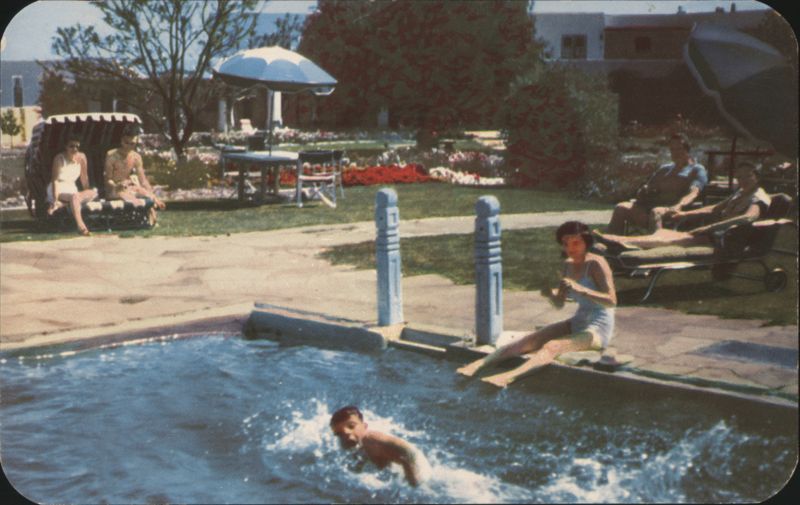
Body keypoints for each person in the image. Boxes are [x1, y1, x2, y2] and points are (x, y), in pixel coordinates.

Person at [457, 221, 617, 388]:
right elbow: (559, 304)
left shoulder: (597, 263)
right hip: (579, 320)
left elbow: (612, 300)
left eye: (576, 242)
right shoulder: (568, 265)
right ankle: (479, 364)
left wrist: (581, 289)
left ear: (586, 242)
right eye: (565, 243)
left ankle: (508, 378)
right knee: (528, 340)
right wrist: (550, 294)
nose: (570, 248)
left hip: (598, 329)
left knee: (552, 346)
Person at [594, 162, 770, 250]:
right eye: (740, 177)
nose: (742, 181)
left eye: (747, 177)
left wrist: (711, 226)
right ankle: (615, 241)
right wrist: (686, 215)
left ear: (757, 177)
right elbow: (714, 208)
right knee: (662, 234)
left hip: (727, 240)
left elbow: (749, 217)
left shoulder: (758, 196)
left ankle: (616, 241)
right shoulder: (740, 193)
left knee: (668, 240)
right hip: (714, 234)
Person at [607, 133, 708, 234]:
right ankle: (612, 244)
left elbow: (693, 193)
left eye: (679, 149)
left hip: (674, 211)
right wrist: (643, 191)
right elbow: (648, 187)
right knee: (621, 208)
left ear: (687, 150)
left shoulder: (696, 169)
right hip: (650, 209)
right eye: (672, 150)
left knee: (656, 212)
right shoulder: (665, 169)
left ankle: (653, 246)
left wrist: (679, 205)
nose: (675, 153)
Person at [329, 405, 427, 486]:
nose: (346, 433)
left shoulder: (371, 440)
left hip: (418, 467)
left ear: (365, 426)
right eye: (339, 433)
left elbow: (408, 453)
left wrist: (413, 485)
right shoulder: (346, 443)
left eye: (351, 426)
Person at [104, 126, 166, 222]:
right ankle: (149, 217)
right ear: (121, 141)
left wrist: (153, 196)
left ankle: (152, 215)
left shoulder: (136, 157)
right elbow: (108, 179)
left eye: (132, 144)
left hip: (129, 186)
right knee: (131, 196)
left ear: (136, 143)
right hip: (114, 189)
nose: (128, 146)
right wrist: (116, 185)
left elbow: (143, 180)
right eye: (126, 142)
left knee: (144, 192)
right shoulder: (111, 155)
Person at [46, 134, 97, 236]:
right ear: (66, 146)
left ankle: (64, 203)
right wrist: (55, 199)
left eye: (77, 146)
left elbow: (84, 177)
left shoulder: (82, 157)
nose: (75, 149)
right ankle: (81, 226)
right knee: (74, 197)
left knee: (93, 192)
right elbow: (55, 180)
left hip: (72, 189)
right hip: (58, 188)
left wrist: (86, 192)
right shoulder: (59, 159)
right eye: (71, 146)